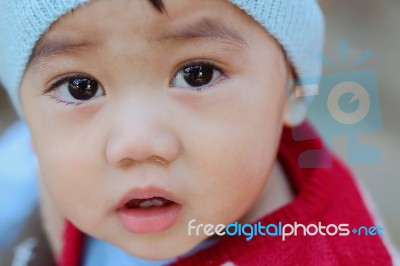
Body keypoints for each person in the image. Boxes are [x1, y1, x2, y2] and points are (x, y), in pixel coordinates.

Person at [0, 0, 396, 265]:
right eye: (79, 87)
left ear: (292, 92)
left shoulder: (331, 253)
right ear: (32, 119)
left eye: (197, 74)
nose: (136, 143)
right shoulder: (45, 159)